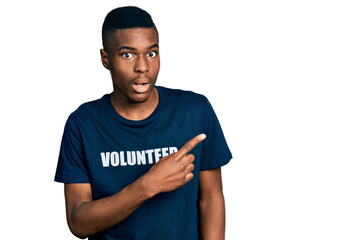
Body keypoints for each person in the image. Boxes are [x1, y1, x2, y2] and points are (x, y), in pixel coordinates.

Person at [55, 6, 232, 240]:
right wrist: (147, 185)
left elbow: (210, 198)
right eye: (127, 54)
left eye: (151, 53)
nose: (143, 66)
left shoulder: (194, 111)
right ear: (106, 59)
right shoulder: (82, 124)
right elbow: (78, 222)